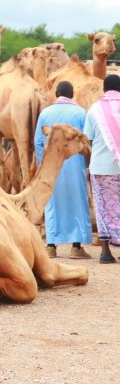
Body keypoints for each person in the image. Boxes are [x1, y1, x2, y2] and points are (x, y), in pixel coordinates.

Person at [35, 81, 92, 259]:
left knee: (52, 202)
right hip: (76, 164)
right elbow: (87, 141)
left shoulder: (45, 113)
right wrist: (87, 164)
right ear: (72, 94)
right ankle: (76, 247)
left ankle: (51, 246)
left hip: (52, 166)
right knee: (77, 201)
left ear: (56, 94)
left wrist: (41, 165)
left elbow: (38, 142)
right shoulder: (81, 113)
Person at [84, 74, 120, 264]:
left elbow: (87, 140)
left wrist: (87, 166)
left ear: (104, 89)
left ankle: (105, 251)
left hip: (101, 166)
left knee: (103, 206)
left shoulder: (94, 109)